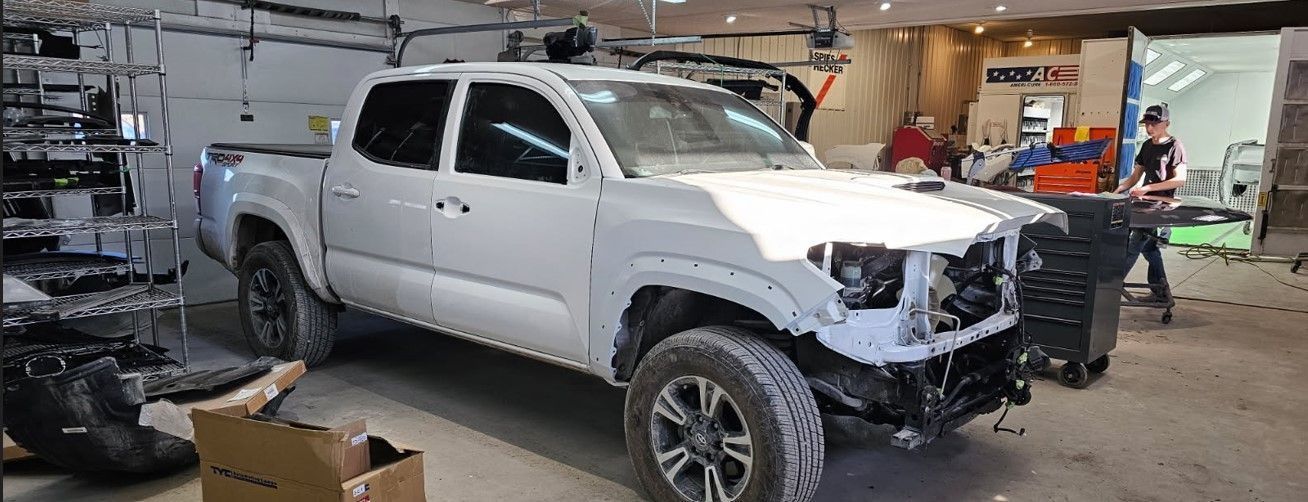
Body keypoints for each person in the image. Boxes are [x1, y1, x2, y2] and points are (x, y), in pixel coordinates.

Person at [1115, 104, 1188, 300]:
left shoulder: (1175, 146)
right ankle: (1160, 292)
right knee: (1150, 249)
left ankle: (1109, 289)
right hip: (1144, 204)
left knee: (1134, 245)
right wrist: (1117, 190)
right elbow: (1134, 176)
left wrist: (1147, 188)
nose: (1149, 128)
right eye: (1147, 124)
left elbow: (1180, 179)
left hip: (1161, 204)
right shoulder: (1147, 146)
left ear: (1166, 123)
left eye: (1154, 124)